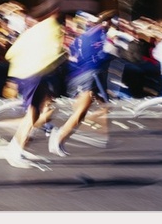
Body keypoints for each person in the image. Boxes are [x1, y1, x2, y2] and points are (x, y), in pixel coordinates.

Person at [2, 0, 67, 168]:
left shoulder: (33, 30)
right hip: (37, 73)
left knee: (37, 112)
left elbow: (10, 53)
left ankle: (17, 147)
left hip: (24, 73)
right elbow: (55, 53)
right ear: (55, 12)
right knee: (33, 114)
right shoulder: (53, 28)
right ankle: (15, 150)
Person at [47, 10, 116, 157]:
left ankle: (97, 134)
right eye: (111, 23)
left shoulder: (85, 35)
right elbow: (97, 56)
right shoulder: (100, 34)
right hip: (88, 75)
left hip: (81, 75)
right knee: (81, 112)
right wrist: (110, 53)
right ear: (106, 22)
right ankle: (59, 137)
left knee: (102, 107)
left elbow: (73, 54)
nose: (112, 26)